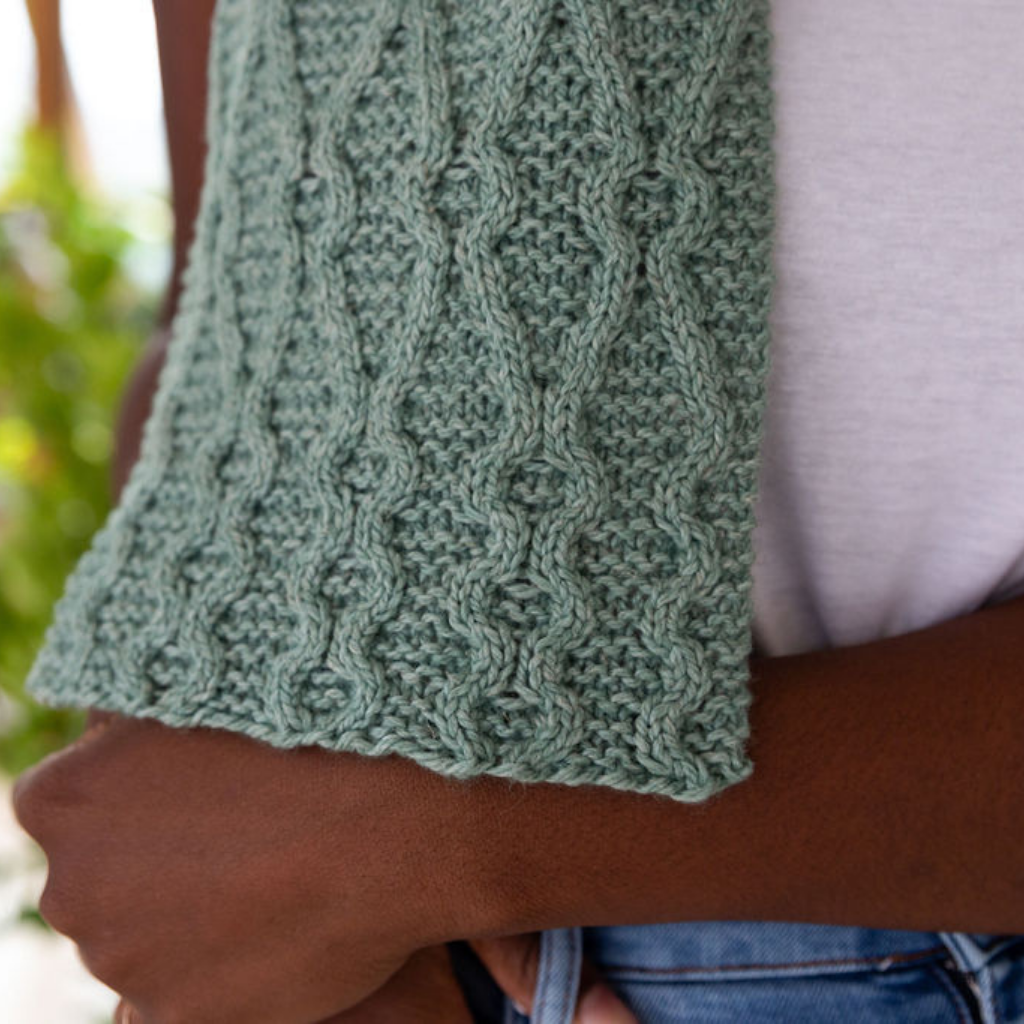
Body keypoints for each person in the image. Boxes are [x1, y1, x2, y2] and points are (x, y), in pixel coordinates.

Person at [11, 2, 1024, 1022]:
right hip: (408, 936)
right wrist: (232, 873)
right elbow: (232, 297)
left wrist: (435, 840)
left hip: (917, 882)